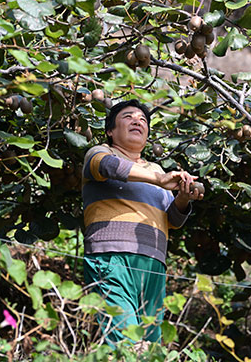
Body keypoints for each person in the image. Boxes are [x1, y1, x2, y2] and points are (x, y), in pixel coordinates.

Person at [81, 99, 203, 347]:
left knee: (150, 344)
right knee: (124, 340)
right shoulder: (101, 152)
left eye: (143, 120)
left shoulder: (155, 168)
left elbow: (173, 220)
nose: (137, 121)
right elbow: (107, 167)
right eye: (128, 117)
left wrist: (182, 197)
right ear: (110, 131)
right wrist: (159, 179)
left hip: (152, 262)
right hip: (112, 256)